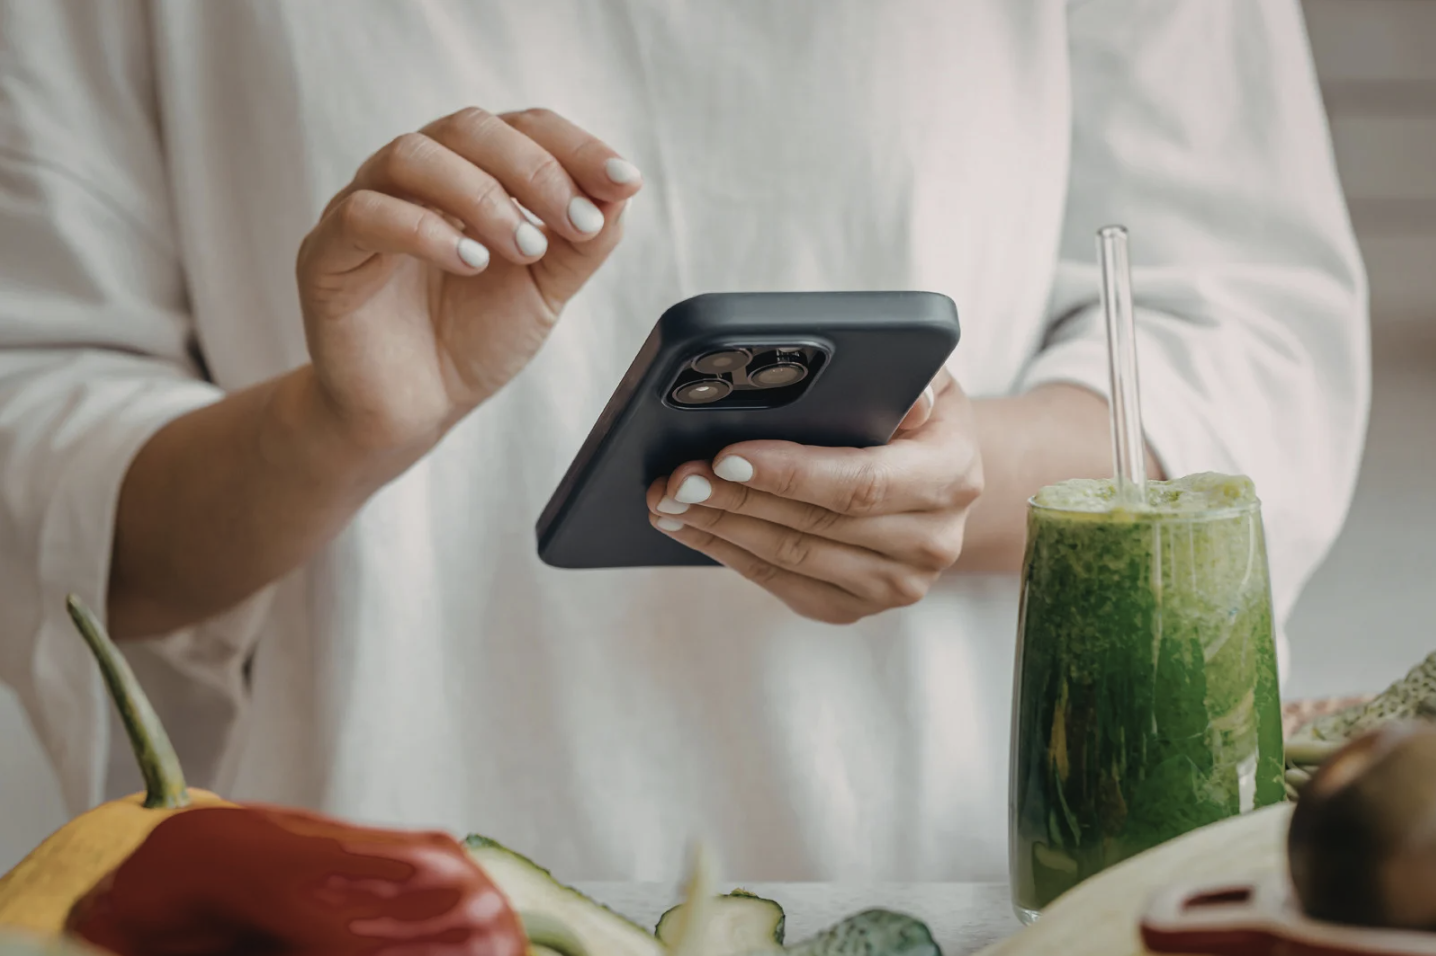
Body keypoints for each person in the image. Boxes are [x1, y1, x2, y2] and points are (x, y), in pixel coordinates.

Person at [0, 0, 1367, 882]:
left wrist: (971, 477)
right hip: (362, 868)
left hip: (965, 869)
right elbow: (42, 468)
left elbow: (1249, 335)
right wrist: (336, 421)